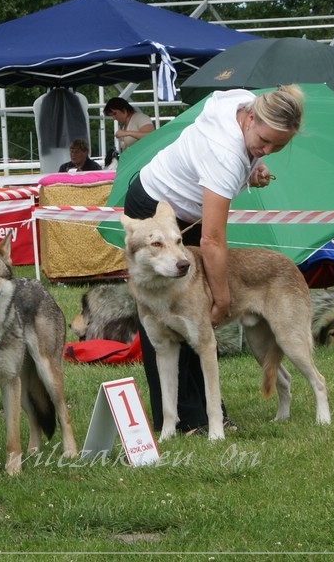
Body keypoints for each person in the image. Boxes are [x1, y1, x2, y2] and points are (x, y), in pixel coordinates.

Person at [122, 85, 304, 435]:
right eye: (264, 141)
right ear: (250, 117)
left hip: (185, 215)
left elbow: (241, 148)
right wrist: (221, 299)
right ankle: (184, 419)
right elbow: (213, 240)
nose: (267, 150)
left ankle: (208, 415)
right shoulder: (225, 153)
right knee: (170, 315)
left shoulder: (242, 100)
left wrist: (256, 164)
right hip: (153, 209)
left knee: (193, 319)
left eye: (277, 147)